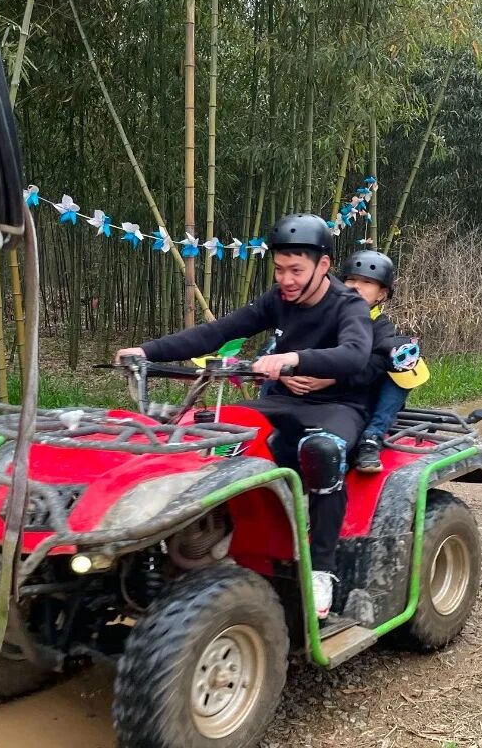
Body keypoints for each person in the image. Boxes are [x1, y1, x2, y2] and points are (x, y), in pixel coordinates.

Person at [115, 213, 372, 620]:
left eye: (296, 270)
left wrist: (294, 358)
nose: (286, 279)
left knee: (323, 451)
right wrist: (147, 352)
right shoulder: (278, 300)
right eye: (279, 270)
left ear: (323, 265)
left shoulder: (348, 305)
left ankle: (321, 570)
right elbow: (218, 332)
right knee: (206, 429)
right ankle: (200, 539)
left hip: (337, 406)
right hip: (281, 400)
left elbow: (355, 354)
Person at [338, 250, 429, 473]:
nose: (356, 286)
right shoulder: (326, 317)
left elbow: (371, 366)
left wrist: (336, 375)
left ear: (381, 294)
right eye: (351, 279)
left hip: (364, 393)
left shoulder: (380, 327)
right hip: (324, 395)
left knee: (404, 360)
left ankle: (372, 436)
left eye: (367, 282)